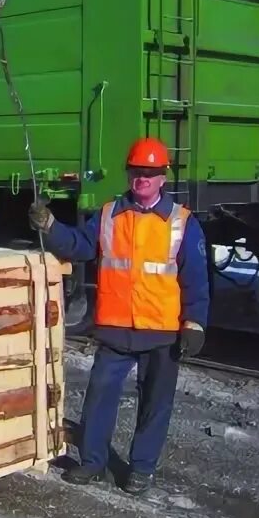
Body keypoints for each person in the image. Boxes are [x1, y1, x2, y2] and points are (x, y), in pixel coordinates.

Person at [28, 137, 209, 494]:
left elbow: (197, 279)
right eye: (136, 171)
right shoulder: (110, 214)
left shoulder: (182, 223)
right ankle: (93, 462)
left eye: (149, 172)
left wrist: (194, 324)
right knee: (99, 396)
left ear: (162, 178)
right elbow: (80, 246)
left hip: (161, 331)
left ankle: (142, 469)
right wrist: (50, 225)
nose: (141, 178)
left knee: (155, 403)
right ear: (129, 174)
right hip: (115, 328)